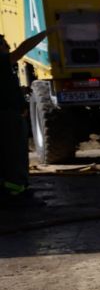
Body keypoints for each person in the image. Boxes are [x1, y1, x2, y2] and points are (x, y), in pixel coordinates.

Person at [2, 29, 48, 205]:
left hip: (8, 115)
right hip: (7, 118)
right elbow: (22, 50)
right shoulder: (1, 62)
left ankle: (14, 192)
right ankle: (16, 195)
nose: (7, 47)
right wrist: (47, 33)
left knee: (10, 156)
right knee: (14, 156)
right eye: (4, 44)